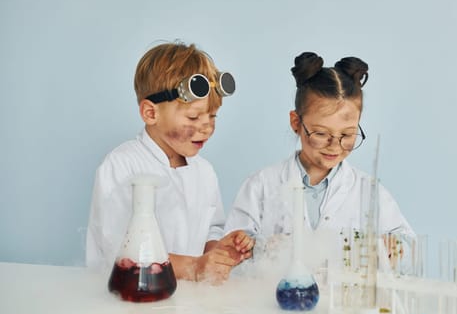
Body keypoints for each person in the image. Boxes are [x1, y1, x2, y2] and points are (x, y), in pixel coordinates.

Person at [224, 52, 413, 273]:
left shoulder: (368, 191)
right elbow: (230, 251)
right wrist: (256, 247)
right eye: (321, 134)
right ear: (296, 122)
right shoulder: (262, 185)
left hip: (344, 305)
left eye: (348, 135)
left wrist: (396, 248)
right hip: (274, 302)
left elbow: (408, 247)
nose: (335, 146)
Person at [86, 42, 254, 284]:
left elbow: (211, 230)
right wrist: (193, 267)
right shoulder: (122, 166)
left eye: (213, 116)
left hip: (187, 301)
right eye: (194, 116)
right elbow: (121, 252)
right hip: (130, 297)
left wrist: (219, 251)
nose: (207, 126)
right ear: (151, 113)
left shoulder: (204, 172)